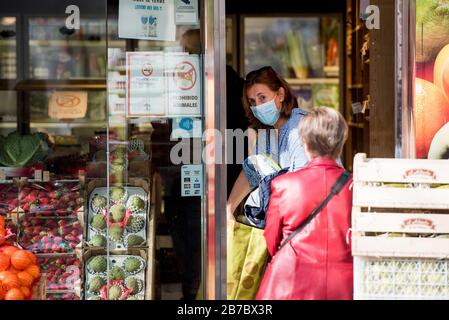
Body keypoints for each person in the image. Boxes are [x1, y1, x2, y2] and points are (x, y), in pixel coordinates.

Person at [256, 107, 353, 300]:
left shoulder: (284, 184)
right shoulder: (355, 187)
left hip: (291, 281)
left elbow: (271, 239)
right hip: (344, 284)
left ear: (305, 143)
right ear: (341, 144)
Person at [226, 66, 308, 220]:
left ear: (280, 95)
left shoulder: (302, 126)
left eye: (262, 97)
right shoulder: (267, 132)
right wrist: (229, 207)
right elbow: (252, 170)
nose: (257, 106)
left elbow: (303, 184)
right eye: (252, 101)